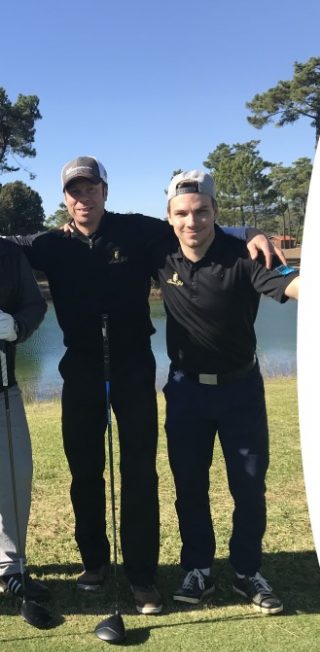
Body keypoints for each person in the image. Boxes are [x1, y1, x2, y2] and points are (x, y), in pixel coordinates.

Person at [5, 156, 280, 615]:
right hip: (82, 369)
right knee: (84, 471)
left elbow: (193, 223)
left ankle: (141, 575)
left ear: (105, 191)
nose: (83, 198)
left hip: (133, 367)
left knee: (139, 473)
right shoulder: (50, 244)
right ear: (66, 199)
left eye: (91, 189)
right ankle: (95, 563)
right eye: (75, 191)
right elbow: (7, 246)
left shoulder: (137, 230)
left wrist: (251, 231)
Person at [158, 170, 299, 615]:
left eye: (201, 211)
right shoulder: (159, 253)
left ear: (215, 212)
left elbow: (292, 283)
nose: (192, 221)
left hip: (241, 391)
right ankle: (198, 569)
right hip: (186, 392)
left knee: (249, 487)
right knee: (189, 486)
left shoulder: (246, 254)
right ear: (169, 217)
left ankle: (246, 571)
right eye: (182, 213)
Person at [0, 240, 48, 602]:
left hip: (4, 386)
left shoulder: (9, 254)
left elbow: (34, 304)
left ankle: (11, 567)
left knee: (15, 474)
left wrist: (16, 326)